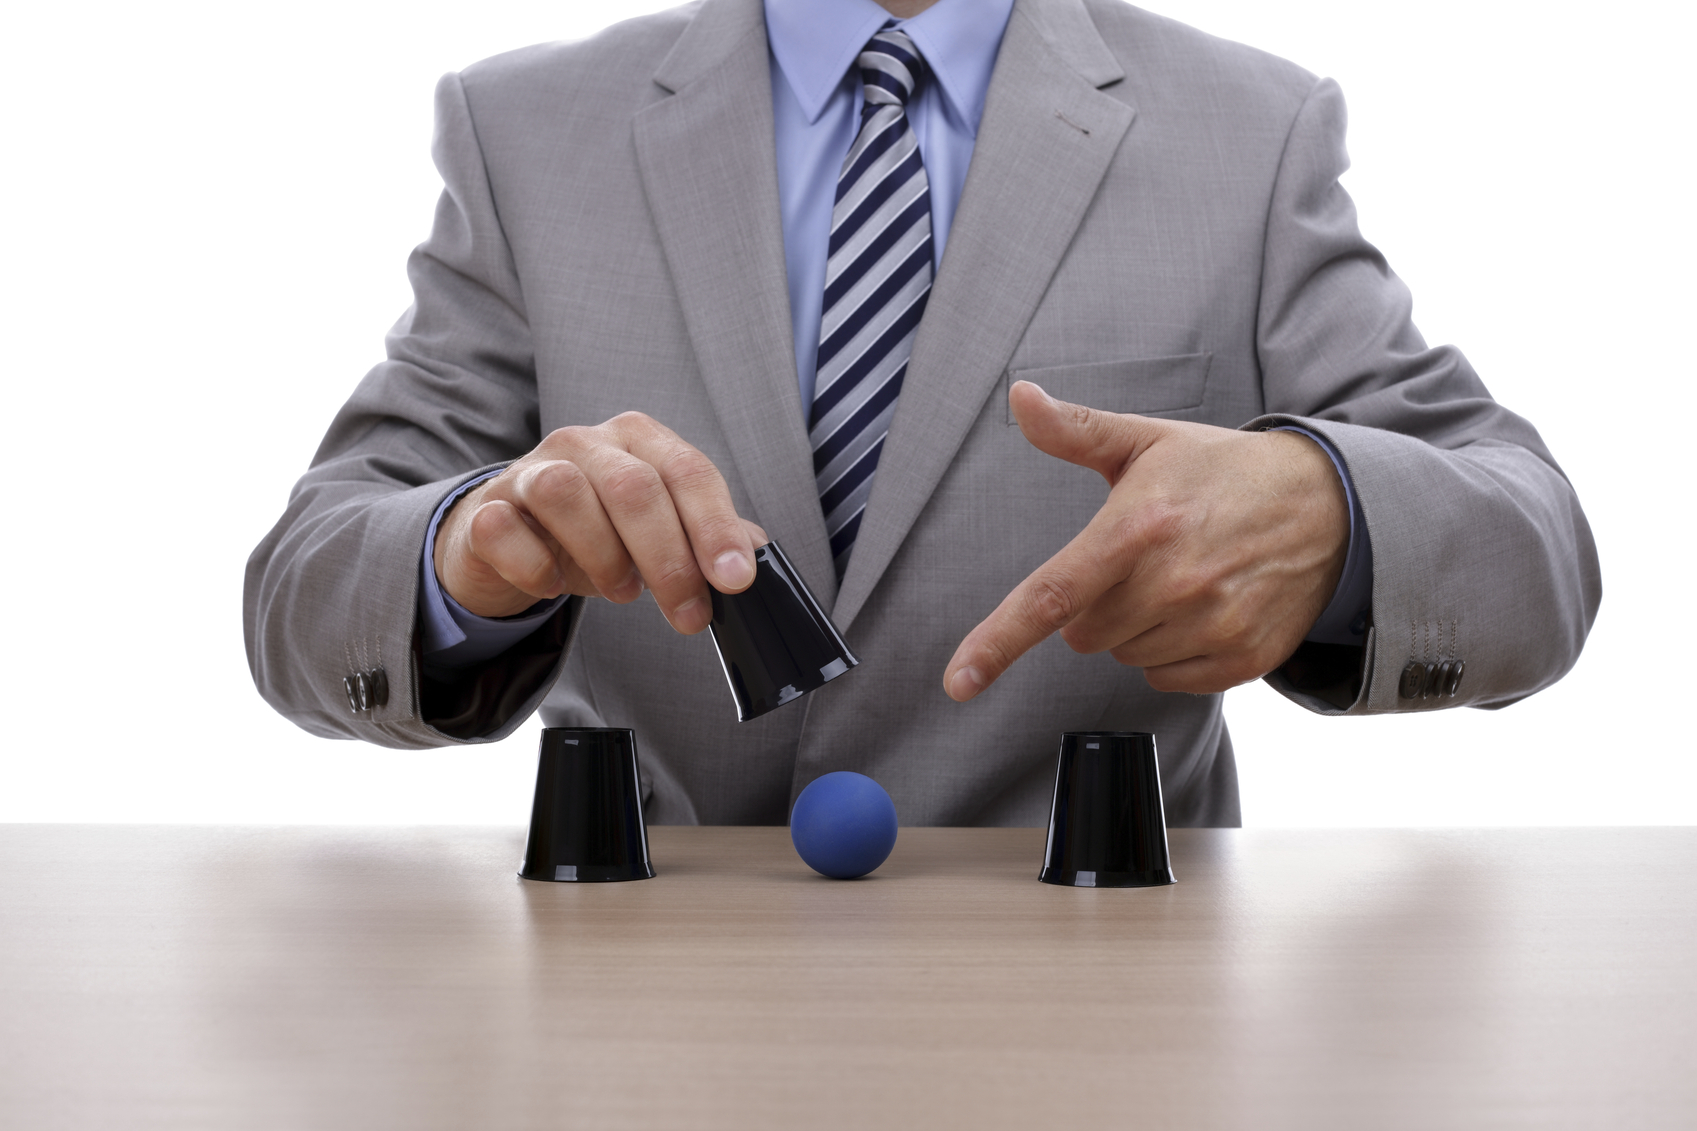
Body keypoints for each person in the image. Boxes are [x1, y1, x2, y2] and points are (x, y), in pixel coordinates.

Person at [244, 0, 1601, 827]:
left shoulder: (1246, 132)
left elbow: (1529, 552)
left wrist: (1334, 511)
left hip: (1116, 1003)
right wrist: (470, 552)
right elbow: (304, 593)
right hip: (636, 1008)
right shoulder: (526, 126)